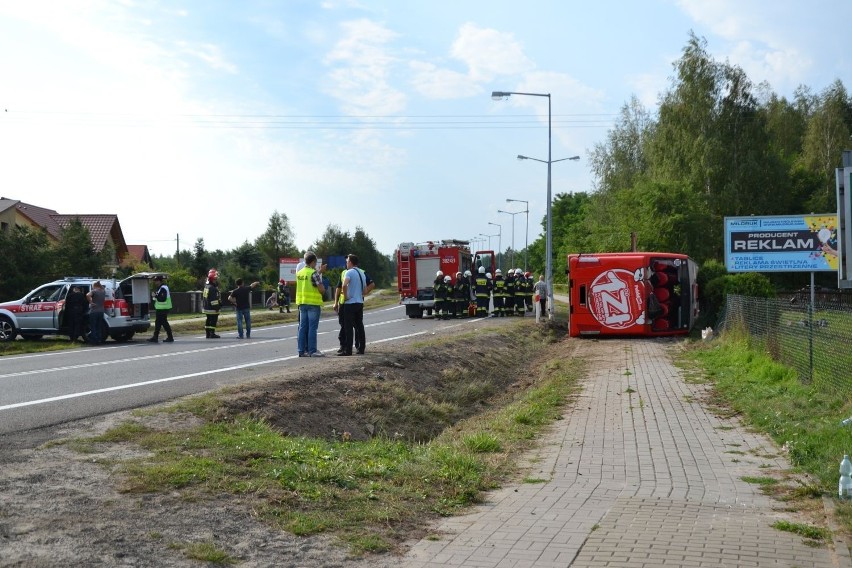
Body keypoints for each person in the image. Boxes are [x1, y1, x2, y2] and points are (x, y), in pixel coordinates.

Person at [339, 253, 374, 355]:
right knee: (359, 325)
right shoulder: (362, 273)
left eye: (347, 262)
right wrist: (364, 292)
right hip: (359, 302)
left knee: (348, 326)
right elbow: (366, 287)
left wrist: (345, 297)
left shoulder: (349, 272)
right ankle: (361, 348)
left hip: (350, 303)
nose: (346, 263)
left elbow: (344, 285)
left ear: (350, 262)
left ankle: (348, 350)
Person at [295, 251, 326, 357]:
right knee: (312, 328)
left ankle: (301, 351)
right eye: (315, 263)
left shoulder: (299, 273)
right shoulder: (313, 273)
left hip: (302, 303)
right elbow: (321, 289)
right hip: (313, 303)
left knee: (303, 327)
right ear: (313, 262)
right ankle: (312, 351)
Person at [147, 275, 174, 343]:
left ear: (159, 281)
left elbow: (162, 298)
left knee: (163, 323)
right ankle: (155, 337)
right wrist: (156, 295)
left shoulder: (163, 288)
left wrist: (155, 296)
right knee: (158, 322)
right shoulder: (161, 288)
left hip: (163, 308)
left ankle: (170, 337)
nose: (155, 282)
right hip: (161, 308)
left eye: (156, 281)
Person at [203, 269, 222, 339]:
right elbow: (214, 300)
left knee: (208, 320)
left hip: (207, 308)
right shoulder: (212, 288)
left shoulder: (206, 286)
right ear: (213, 279)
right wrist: (217, 308)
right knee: (213, 321)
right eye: (215, 278)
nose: (216, 280)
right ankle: (212, 334)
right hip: (212, 308)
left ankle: (208, 334)